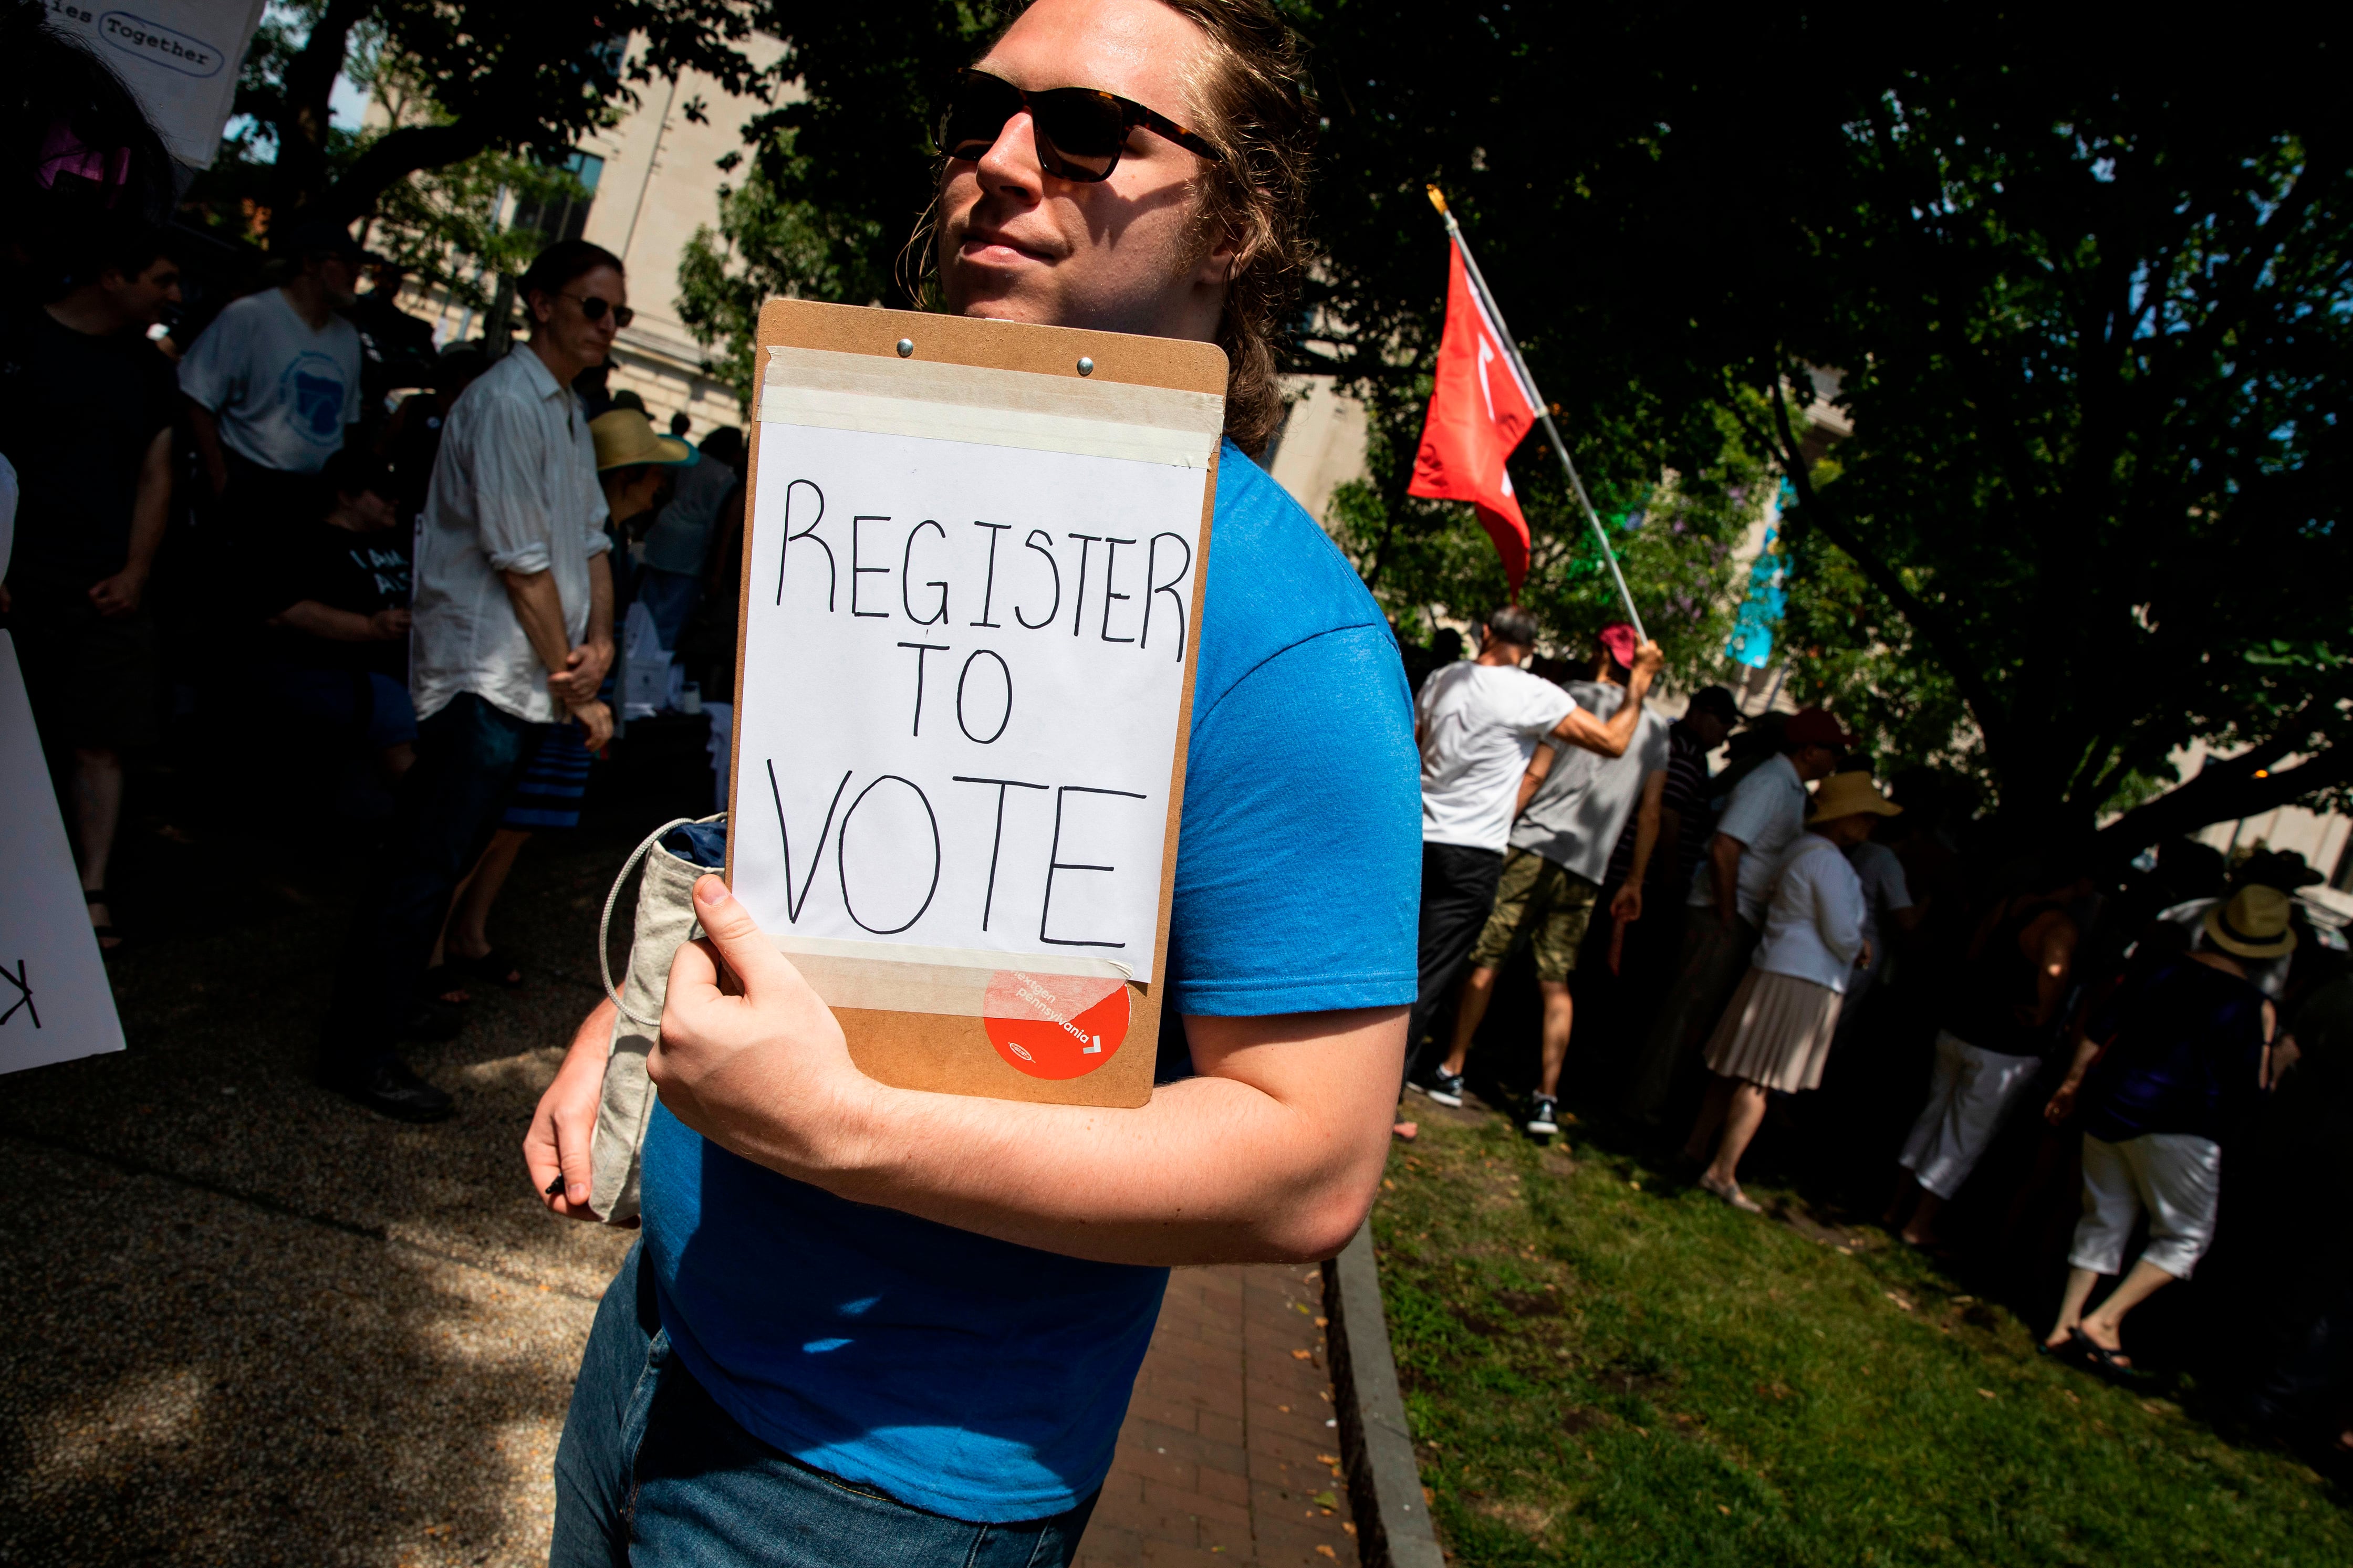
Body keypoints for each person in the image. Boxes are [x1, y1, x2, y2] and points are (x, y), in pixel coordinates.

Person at [532, 2, 1420, 1558]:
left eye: (1085, 131)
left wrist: (850, 1127)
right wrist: (643, 996)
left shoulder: (1286, 630)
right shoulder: (907, 477)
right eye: (976, 114)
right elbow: (834, 848)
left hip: (873, 1484)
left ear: (1235, 224)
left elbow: (1308, 1159)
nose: (999, 164)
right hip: (660, 1330)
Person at [321, 238, 622, 1122]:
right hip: (483, 675)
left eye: (618, 312)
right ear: (539, 303)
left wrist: (600, 639)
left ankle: (388, 1007)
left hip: (528, 676)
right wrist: (581, 688)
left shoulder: (564, 411)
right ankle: (358, 1047)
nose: (608, 325)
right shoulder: (501, 405)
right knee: (424, 863)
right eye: (593, 306)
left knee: (445, 856)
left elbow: (594, 542)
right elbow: (521, 565)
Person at [431, 407, 695, 999]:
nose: (662, 487)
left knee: (519, 828)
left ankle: (469, 935)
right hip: (557, 692)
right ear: (627, 474)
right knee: (490, 828)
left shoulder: (617, 540)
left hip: (581, 694)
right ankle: (429, 952)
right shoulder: (581, 535)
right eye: (656, 472)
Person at [1402, 605, 1664, 1130]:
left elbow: (1419, 748)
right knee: (1461, 978)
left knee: (1429, 963)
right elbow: (1624, 761)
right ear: (1532, 646)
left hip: (1436, 838)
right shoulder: (1546, 697)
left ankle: (1420, 1071)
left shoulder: (1445, 678)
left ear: (1484, 634)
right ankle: (1536, 1095)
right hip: (1515, 856)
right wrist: (1639, 687)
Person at [0, 227, 181, 950]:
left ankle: (90, 887)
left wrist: (136, 572)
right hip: (17, 576)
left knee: (99, 741)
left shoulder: (147, 370)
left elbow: (157, 474)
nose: (174, 296)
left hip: (102, 585)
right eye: (162, 280)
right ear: (112, 276)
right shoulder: (19, 337)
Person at [2038, 884, 2287, 1372]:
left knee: (2104, 1216)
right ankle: (2103, 1320)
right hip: (2181, 1128)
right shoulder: (2254, 1008)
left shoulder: (2160, 968)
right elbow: (2248, 1093)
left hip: (2113, 1104)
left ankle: (2064, 1324)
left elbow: (2099, 1028)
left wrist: (2072, 1085)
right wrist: (2276, 1062)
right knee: (2186, 1236)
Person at [1621, 706, 1851, 1122]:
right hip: (1721, 915)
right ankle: (1644, 1107)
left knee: (1698, 1017)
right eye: (1834, 750)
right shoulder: (1771, 785)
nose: (1838, 760)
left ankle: (1658, 1105)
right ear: (1810, 750)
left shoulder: (1790, 788)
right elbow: (1727, 847)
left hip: (1736, 915)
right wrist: (1726, 915)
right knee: (1685, 1014)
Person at [1681, 771, 1899, 1210]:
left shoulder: (1802, 851)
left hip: (1778, 966)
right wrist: (1861, 947)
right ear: (1847, 818)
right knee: (1760, 1078)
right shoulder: (1828, 862)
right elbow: (1840, 931)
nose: (1872, 826)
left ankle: (1697, 1147)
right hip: (1802, 977)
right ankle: (1722, 1170)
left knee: (1735, 1067)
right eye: (1866, 816)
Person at [1884, 859, 2094, 1248]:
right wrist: (2044, 1014)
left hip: (1962, 1026)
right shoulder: (2059, 926)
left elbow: (1975, 951)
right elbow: (2052, 973)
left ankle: (1896, 1206)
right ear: (2080, 884)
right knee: (1965, 1134)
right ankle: (1919, 1222)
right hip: (2002, 1046)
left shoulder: (2010, 904)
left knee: (1933, 1115)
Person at [178, 219, 367, 552]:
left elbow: (347, 423)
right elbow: (197, 396)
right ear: (311, 264)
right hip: (252, 485)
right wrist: (220, 479)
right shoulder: (251, 317)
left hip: (311, 495)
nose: (357, 273)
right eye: (347, 263)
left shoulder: (348, 338)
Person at [258, 447, 417, 780]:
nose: (396, 502)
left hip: (405, 673)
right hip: (340, 676)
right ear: (346, 495)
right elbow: (284, 609)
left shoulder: (397, 541)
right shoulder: (308, 541)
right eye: (384, 494)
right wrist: (369, 628)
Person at [636, 425, 745, 649]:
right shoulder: (726, 477)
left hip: (665, 531)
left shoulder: (694, 461)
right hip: (690, 547)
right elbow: (717, 521)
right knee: (670, 620)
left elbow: (667, 492)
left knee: (644, 608)